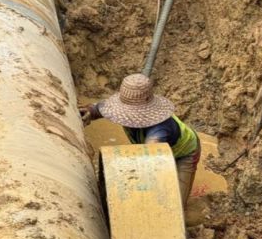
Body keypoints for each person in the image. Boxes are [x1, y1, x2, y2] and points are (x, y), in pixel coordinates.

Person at [79, 73, 200, 206]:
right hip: (157, 149)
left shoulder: (159, 130)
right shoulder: (121, 111)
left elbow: (148, 156)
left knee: (174, 203)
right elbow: (102, 108)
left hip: (185, 154)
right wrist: (90, 111)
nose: (125, 118)